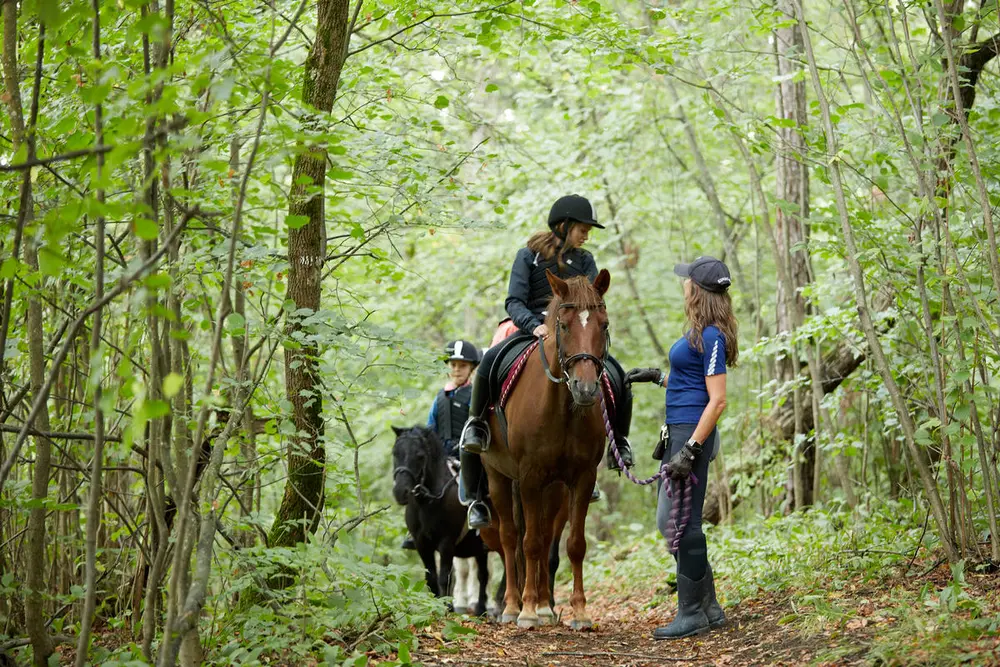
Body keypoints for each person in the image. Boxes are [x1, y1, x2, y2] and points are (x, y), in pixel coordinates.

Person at [458, 194, 635, 530]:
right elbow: (513, 300)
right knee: (492, 358)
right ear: (563, 226)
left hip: (573, 333)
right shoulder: (529, 256)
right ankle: (478, 424)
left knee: (616, 373)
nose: (586, 235)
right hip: (533, 328)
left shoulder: (586, 260)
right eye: (582, 228)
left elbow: (595, 301)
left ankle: (618, 442)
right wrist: (534, 325)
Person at [626, 255, 739, 639]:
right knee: (672, 521)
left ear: (698, 290)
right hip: (680, 428)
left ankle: (692, 612)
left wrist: (690, 448)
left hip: (692, 432)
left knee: (680, 523)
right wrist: (659, 378)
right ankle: (708, 607)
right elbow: (691, 381)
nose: (682, 285)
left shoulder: (711, 338)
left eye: (686, 280)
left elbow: (718, 399)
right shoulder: (701, 332)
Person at [402, 339, 481, 550]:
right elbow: (431, 426)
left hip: (468, 451)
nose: (457, 370)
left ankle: (478, 511)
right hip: (442, 454)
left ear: (471, 368)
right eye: (453, 365)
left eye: (462, 366)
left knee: (474, 479)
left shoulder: (475, 393)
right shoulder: (440, 397)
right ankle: (414, 527)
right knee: (419, 479)